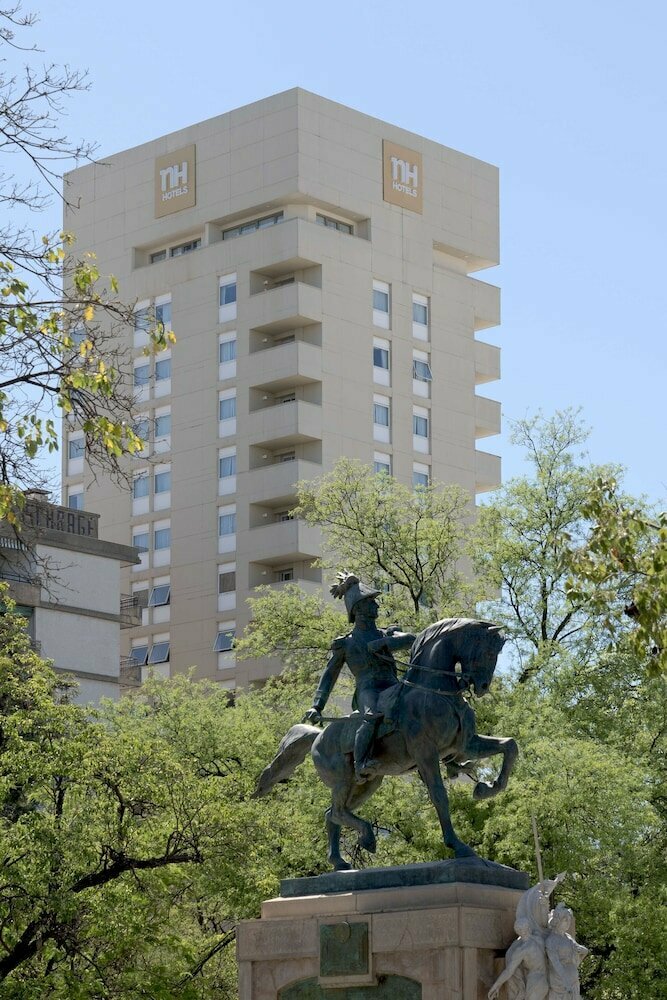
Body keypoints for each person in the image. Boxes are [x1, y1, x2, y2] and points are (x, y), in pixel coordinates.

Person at [303, 572, 415, 779]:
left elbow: (411, 640)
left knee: (423, 703)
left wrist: (384, 643)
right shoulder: (346, 643)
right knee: (371, 717)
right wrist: (317, 706)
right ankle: (361, 762)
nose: (377, 606)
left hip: (393, 685)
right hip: (368, 689)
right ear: (359, 608)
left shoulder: (386, 633)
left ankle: (447, 754)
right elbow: (330, 675)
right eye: (371, 602)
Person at [487, 917, 549, 1000]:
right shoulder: (539, 940)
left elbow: (509, 971)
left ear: (518, 932)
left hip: (534, 982)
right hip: (544, 981)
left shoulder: (523, 950)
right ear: (528, 927)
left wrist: (496, 986)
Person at [546, 904, 588, 998]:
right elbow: (555, 963)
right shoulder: (551, 940)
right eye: (566, 920)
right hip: (560, 980)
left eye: (569, 920)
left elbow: (580, 950)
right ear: (558, 921)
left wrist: (585, 951)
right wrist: (566, 980)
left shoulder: (568, 937)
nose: (568, 923)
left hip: (573, 978)